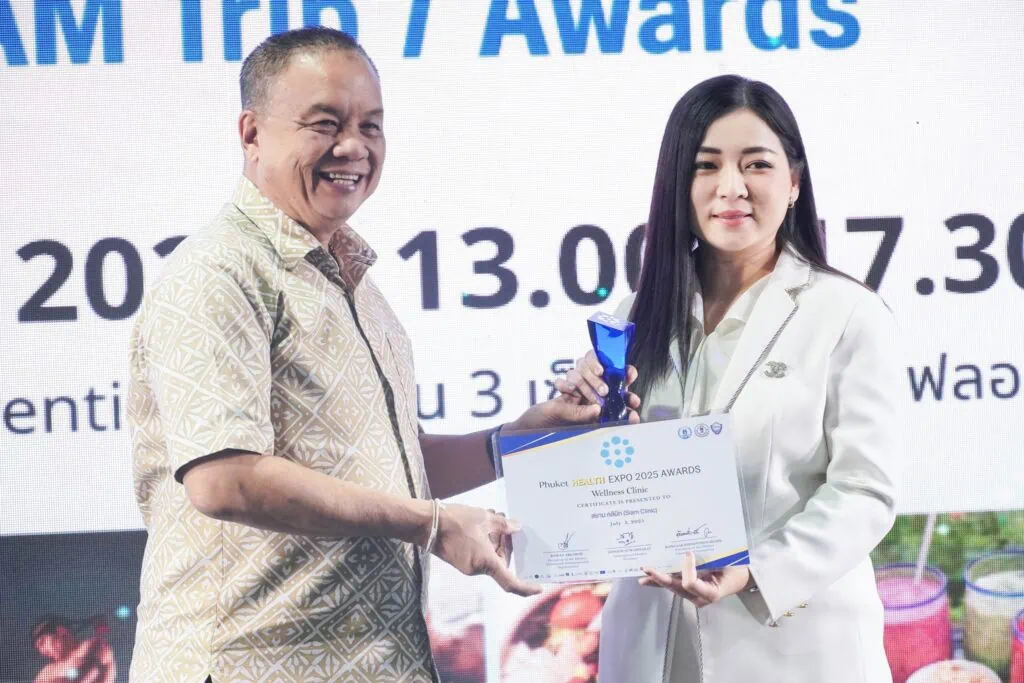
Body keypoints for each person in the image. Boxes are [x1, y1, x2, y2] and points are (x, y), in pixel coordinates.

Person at [127, 27, 601, 683]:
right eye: (325, 124)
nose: (353, 147)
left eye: (371, 126)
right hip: (253, 666)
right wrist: (431, 524)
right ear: (252, 132)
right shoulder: (218, 274)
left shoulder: (354, 282)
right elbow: (222, 477)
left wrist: (515, 438)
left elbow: (392, 467)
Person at [556, 75, 902, 682]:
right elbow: (599, 485)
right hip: (650, 645)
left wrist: (756, 570)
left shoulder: (848, 314)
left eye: (756, 165)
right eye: (706, 165)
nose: (731, 188)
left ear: (794, 181)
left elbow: (865, 491)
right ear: (677, 185)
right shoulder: (628, 318)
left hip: (794, 645)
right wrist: (581, 417)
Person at [32, 616, 116, 683]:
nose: (41, 650)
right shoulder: (47, 672)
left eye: (42, 642)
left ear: (61, 631)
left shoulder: (94, 648)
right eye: (38, 648)